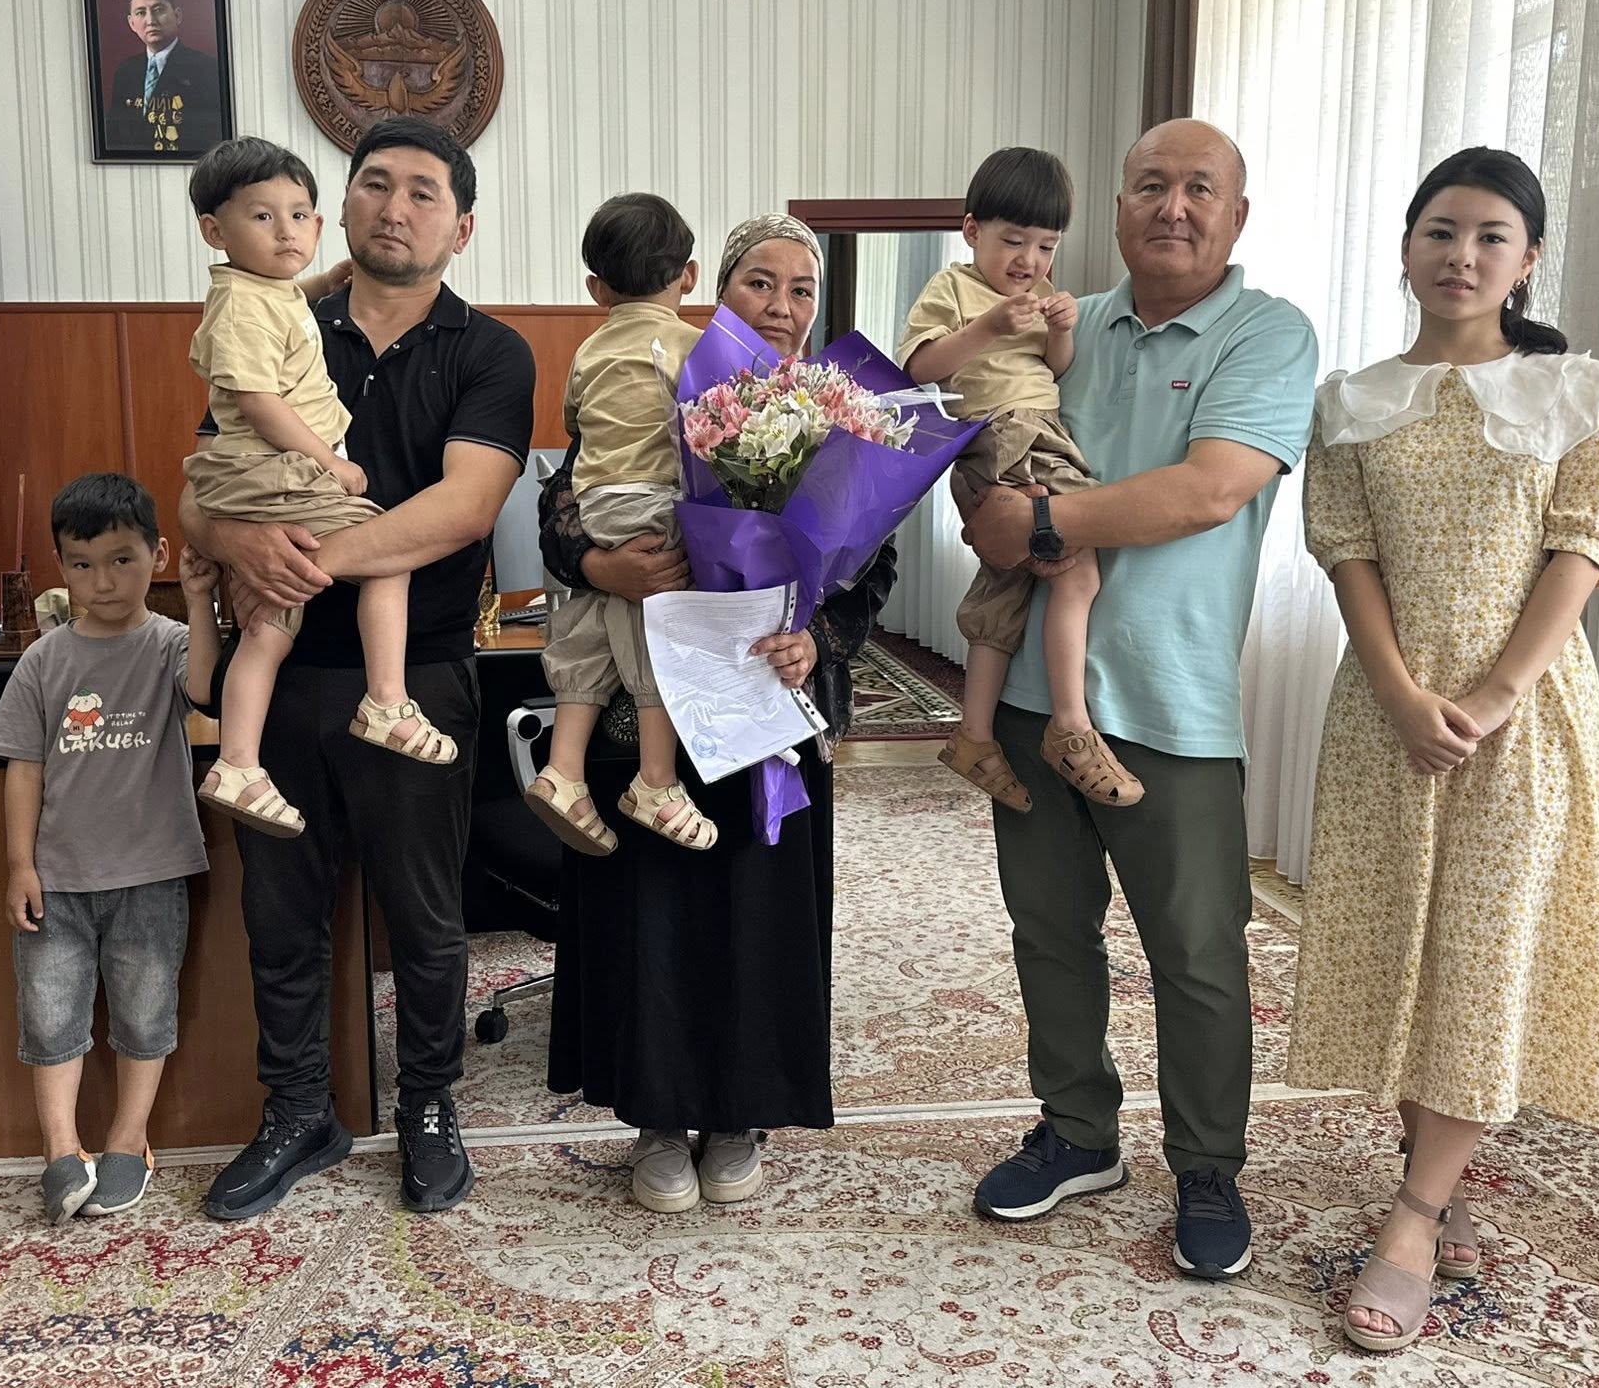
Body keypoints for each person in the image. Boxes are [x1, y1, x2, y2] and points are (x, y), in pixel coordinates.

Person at [1284, 148, 1599, 1353]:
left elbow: (1581, 550)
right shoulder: (1350, 399)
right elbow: (1345, 552)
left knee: (1484, 953)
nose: (1461, 255)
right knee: (1403, 941)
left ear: (1527, 260)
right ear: (1403, 247)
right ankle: (1432, 1163)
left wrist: (1490, 695)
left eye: (1491, 236)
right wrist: (1396, 692)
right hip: (1381, 712)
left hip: (1522, 716)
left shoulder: (1575, 393)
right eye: (1440, 231)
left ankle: (1414, 1217)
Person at [957, 119, 1317, 1280]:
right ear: (1115, 210)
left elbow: (1208, 491)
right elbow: (987, 437)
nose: (1172, 206)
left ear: (1234, 215)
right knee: (1048, 931)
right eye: (1149, 185)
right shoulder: (1066, 325)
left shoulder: (1267, 333)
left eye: (1198, 188)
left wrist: (1036, 522)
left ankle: (1206, 1165)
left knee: (1196, 950)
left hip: (1174, 701)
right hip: (1030, 691)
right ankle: (1076, 1132)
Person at [179, 116, 534, 1220]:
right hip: (281, 674)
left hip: (414, 674)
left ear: (460, 228)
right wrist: (228, 538)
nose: (395, 205)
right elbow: (200, 489)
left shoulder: (491, 352)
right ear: (343, 206)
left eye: (424, 192)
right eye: (375, 184)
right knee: (279, 914)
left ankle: (428, 1104)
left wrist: (296, 561)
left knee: (423, 916)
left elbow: (462, 508)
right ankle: (298, 1110)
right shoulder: (275, 315)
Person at [539, 213, 897, 1213]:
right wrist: (600, 562)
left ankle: (739, 1112)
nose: (780, 307)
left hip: (770, 711)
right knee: (651, 911)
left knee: (754, 909)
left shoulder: (837, 416)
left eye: (799, 289)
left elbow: (869, 567)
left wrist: (817, 638)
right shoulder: (669, 382)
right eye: (758, 284)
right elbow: (564, 505)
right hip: (648, 703)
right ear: (716, 291)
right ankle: (655, 1116)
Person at [182, 136, 452, 842]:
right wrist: (328, 461)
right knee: (387, 552)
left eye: (299, 215)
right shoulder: (242, 307)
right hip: (275, 471)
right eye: (262, 217)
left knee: (271, 621)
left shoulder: (264, 294)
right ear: (215, 230)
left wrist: (321, 283)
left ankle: (238, 763)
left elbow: (281, 314)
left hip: (263, 481)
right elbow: (260, 402)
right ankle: (386, 699)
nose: (287, 232)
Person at [0, 474, 220, 1224]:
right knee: (50, 1016)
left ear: (158, 555)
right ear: (61, 567)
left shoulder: (170, 644)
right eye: (82, 564)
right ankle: (60, 1146)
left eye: (122, 559)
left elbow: (207, 686)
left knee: (145, 1015)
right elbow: (23, 768)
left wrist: (201, 599)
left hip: (152, 872)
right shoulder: (43, 660)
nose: (104, 581)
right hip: (57, 879)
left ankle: (128, 1139)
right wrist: (20, 865)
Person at [903, 146, 1141, 814]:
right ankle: (1071, 725)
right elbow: (919, 367)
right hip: (1007, 435)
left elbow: (1052, 367)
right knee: (1079, 571)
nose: (1029, 261)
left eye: (1046, 246)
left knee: (1004, 590)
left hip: (1030, 431)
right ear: (971, 230)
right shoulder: (953, 288)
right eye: (1013, 241)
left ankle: (974, 736)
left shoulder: (1036, 296)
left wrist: (1060, 332)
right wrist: (988, 324)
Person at [527, 193, 715, 855]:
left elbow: (573, 421)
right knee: (662, 626)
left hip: (594, 500)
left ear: (596, 289)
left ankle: (563, 770)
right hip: (655, 500)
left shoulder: (588, 350)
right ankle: (655, 780)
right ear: (688, 276)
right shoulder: (695, 345)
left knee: (594, 614)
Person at [106, 0, 223, 155]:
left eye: (159, 10)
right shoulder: (125, 72)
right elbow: (114, 136)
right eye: (141, 13)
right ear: (132, 23)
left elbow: (212, 135)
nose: (150, 21)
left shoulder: (207, 68)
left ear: (177, 15)